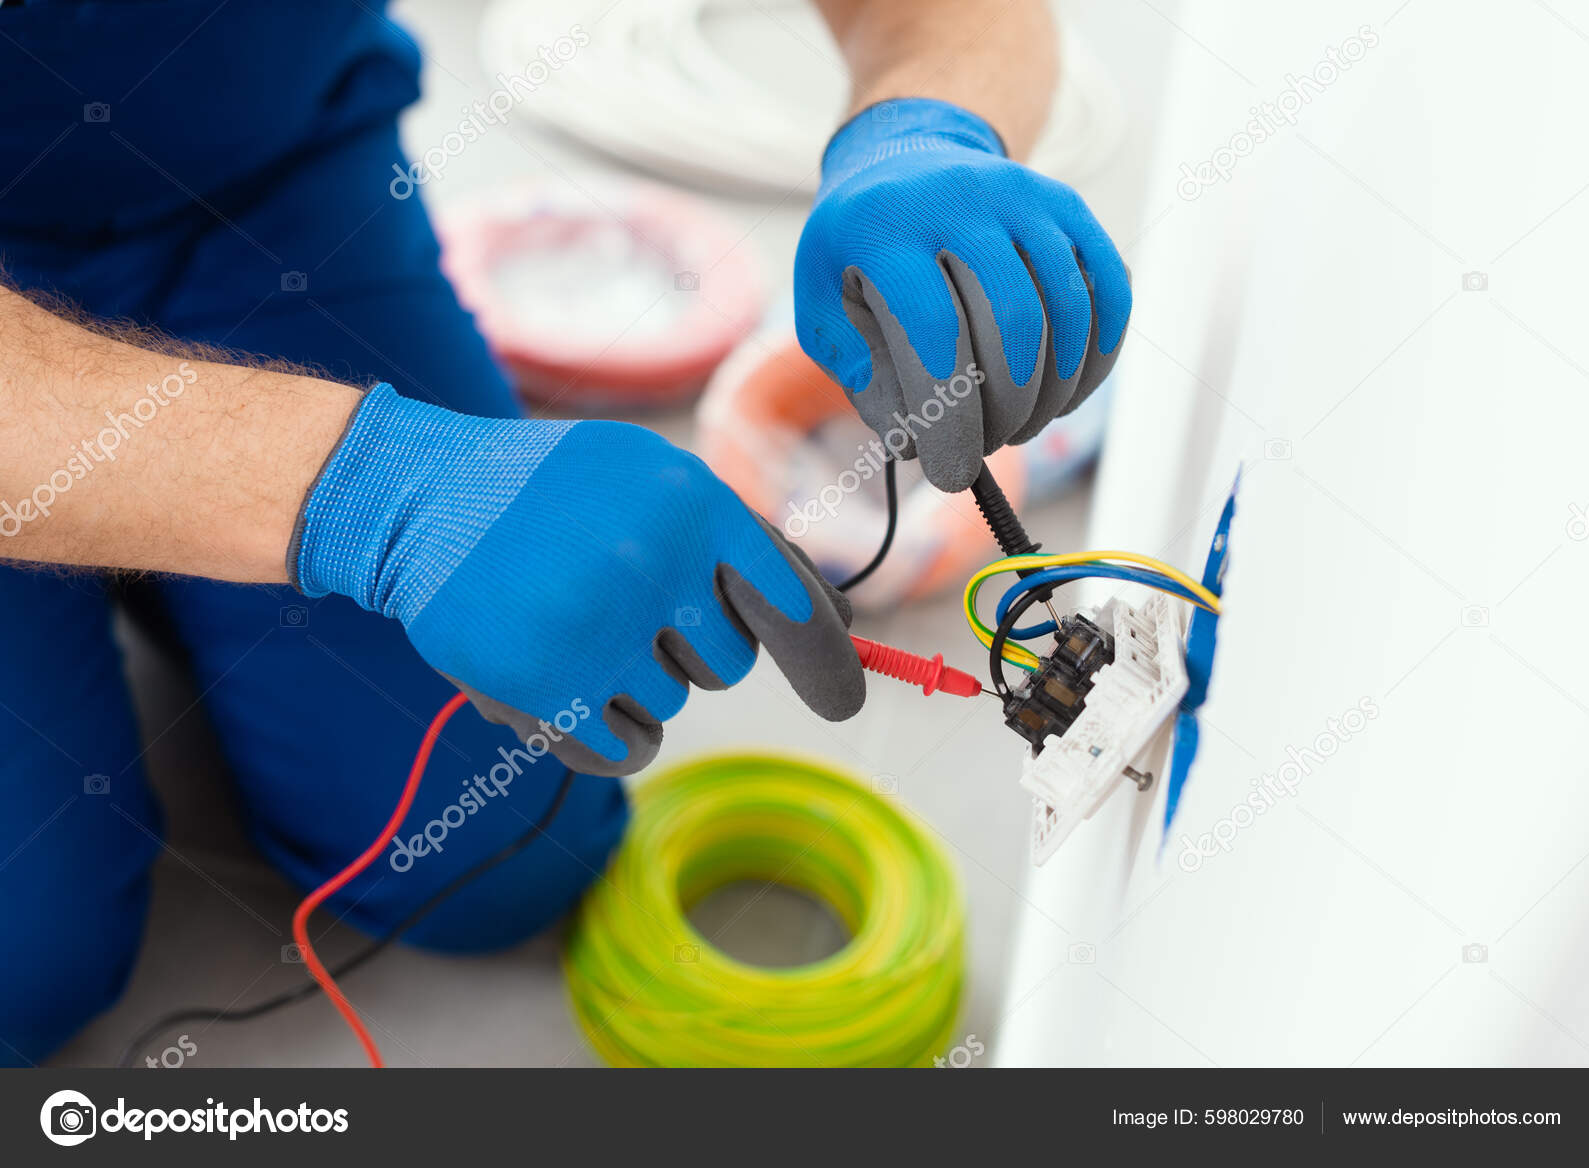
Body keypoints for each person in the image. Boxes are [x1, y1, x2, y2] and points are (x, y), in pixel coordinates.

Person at [0, 0, 1129, 1065]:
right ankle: (156, 540)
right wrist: (370, 489)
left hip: (259, 186)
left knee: (494, 851)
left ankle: (157, 549)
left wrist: (924, 123)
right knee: (24, 965)